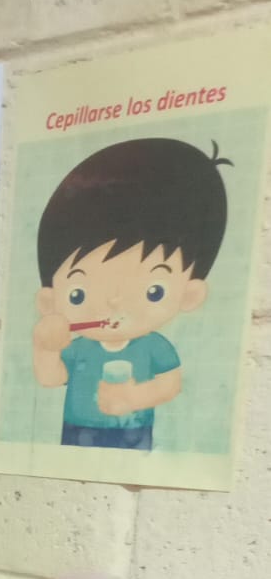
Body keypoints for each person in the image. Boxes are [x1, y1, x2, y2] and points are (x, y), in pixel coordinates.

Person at [32, 137, 230, 451]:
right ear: (49, 301)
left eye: (154, 291)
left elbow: (169, 385)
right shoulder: (79, 348)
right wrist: (46, 348)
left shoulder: (155, 347)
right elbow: (50, 378)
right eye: (77, 294)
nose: (114, 302)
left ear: (190, 294)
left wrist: (134, 398)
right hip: (75, 433)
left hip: (134, 433)